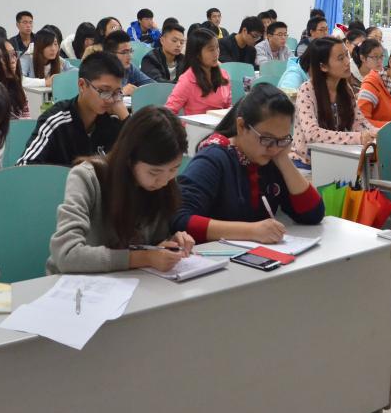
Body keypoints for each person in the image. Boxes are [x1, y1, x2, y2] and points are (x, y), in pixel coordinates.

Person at [48, 106, 194, 275]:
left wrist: (169, 245)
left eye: (174, 169)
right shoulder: (87, 178)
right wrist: (144, 258)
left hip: (131, 281)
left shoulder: (162, 184)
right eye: (154, 172)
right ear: (129, 159)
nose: (164, 181)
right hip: (77, 282)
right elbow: (66, 255)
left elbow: (150, 244)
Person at [173, 83, 324, 243]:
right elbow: (180, 220)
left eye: (282, 139)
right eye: (267, 139)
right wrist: (251, 231)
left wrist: (283, 159)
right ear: (241, 126)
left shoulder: (271, 158)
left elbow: (313, 214)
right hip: (215, 254)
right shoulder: (214, 158)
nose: (274, 148)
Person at [19, 52, 129, 166]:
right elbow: (24, 166)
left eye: (116, 92)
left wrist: (126, 118)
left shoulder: (113, 119)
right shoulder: (56, 121)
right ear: (82, 85)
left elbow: (138, 162)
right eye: (104, 91)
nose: (110, 100)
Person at [290, 38, 378, 167]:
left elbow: (359, 122)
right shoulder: (307, 90)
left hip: (333, 159)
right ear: (323, 66)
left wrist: (378, 133)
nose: (347, 62)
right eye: (341, 58)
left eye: (347, 55)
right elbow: (312, 134)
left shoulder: (345, 89)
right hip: (305, 163)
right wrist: (358, 137)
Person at [165, 28, 232, 116]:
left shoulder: (224, 75)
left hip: (221, 124)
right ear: (197, 54)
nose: (216, 53)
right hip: (195, 124)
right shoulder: (188, 80)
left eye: (217, 48)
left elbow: (228, 107)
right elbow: (169, 111)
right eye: (211, 49)